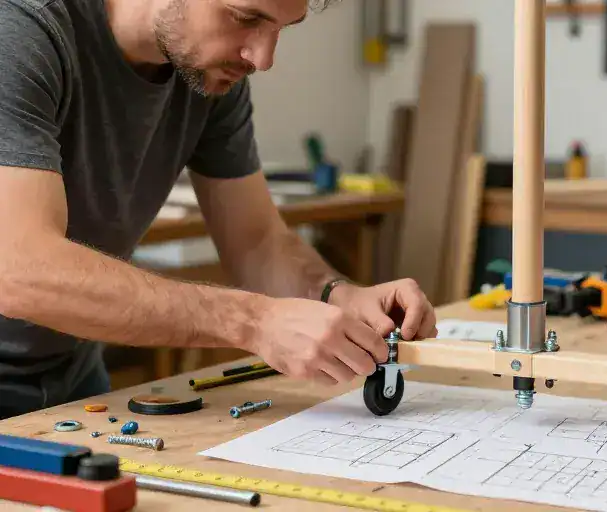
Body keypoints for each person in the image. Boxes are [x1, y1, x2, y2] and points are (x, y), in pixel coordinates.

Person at [0, 0, 437, 420]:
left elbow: (257, 242)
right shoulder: (22, 31)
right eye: (246, 17)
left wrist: (340, 297)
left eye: (281, 29)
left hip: (70, 378)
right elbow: (20, 269)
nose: (262, 58)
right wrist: (253, 320)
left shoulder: (208, 72)